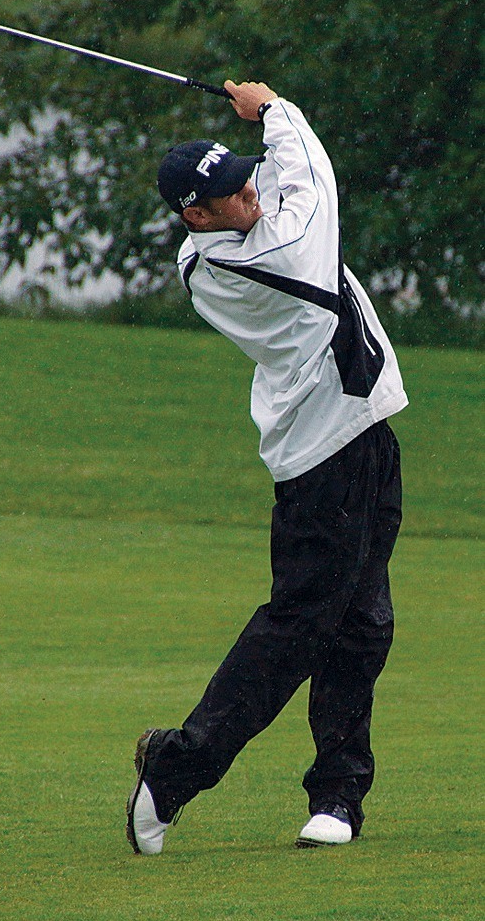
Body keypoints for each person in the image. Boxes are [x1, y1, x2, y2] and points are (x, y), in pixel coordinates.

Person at [126, 80, 408, 854]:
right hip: (325, 460)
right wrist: (278, 108)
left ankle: (339, 798)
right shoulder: (253, 261)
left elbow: (280, 180)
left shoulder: (248, 217)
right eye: (228, 193)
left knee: (362, 627)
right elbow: (312, 183)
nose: (249, 192)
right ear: (196, 216)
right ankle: (176, 769)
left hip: (366, 433)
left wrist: (255, 130)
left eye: (245, 178)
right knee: (299, 628)